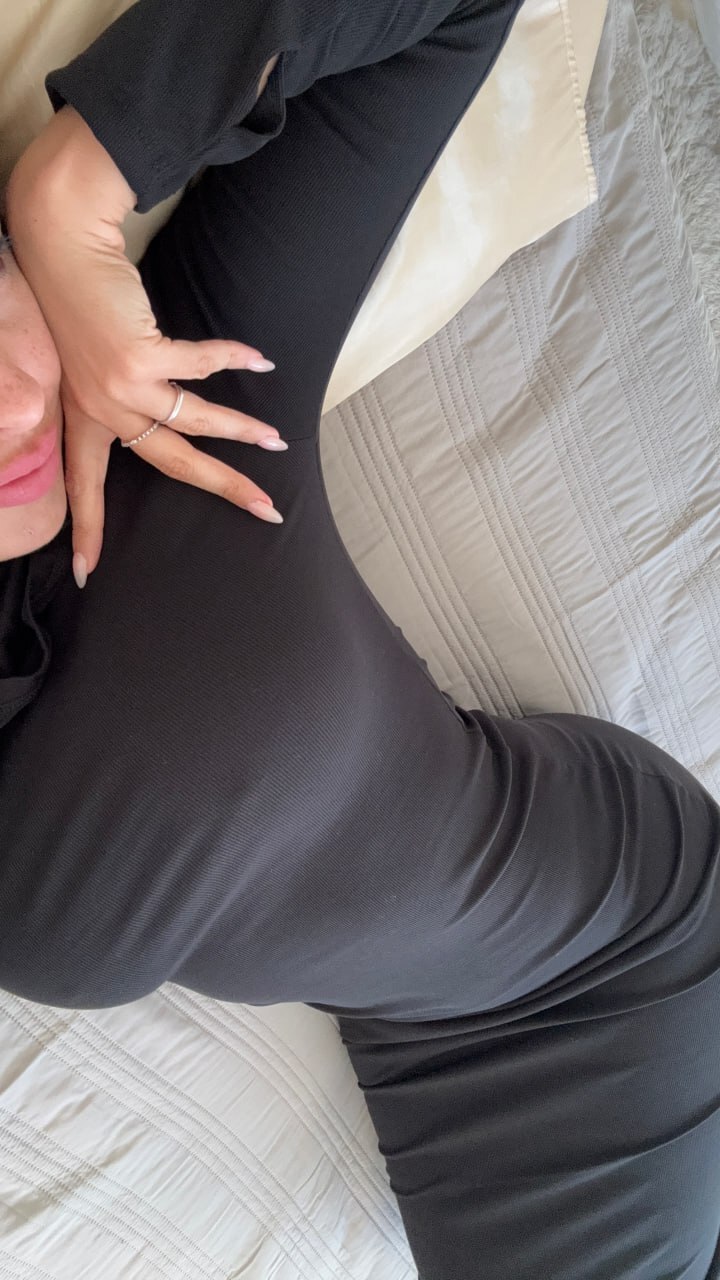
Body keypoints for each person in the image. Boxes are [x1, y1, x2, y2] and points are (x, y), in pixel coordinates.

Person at [1, 1, 720, 1276]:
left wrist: (70, 192)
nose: (11, 404)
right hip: (437, 1027)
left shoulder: (183, 412)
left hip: (607, 959)